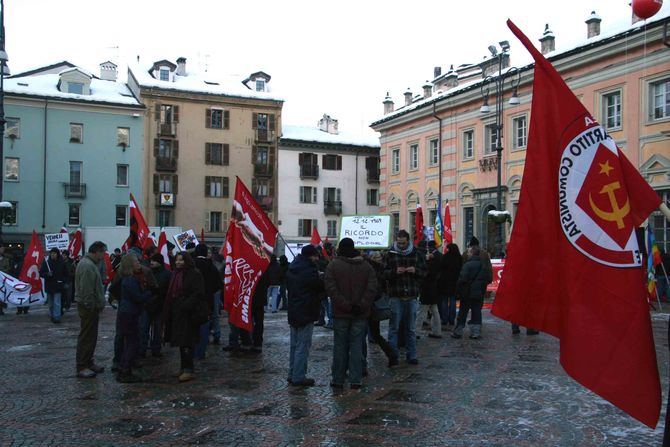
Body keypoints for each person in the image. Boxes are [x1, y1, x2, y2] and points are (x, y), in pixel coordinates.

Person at [325, 238, 377, 389]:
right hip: (360, 313)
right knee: (356, 345)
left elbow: (331, 288)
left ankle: (338, 379)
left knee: (340, 346)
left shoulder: (333, 265)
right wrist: (361, 305)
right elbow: (372, 288)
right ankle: (356, 379)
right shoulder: (366, 266)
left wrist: (345, 305)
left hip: (341, 312)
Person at [384, 230, 426, 365]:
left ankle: (412, 355)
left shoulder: (417, 253)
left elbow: (425, 272)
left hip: (412, 295)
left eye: (403, 243)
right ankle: (393, 356)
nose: (401, 245)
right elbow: (382, 273)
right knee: (393, 328)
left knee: (411, 328)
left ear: (408, 241)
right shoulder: (390, 254)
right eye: (398, 243)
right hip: (396, 295)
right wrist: (394, 272)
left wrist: (416, 271)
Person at [162, 251, 205, 383]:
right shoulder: (175, 273)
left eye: (181, 260)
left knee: (187, 341)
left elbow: (198, 293)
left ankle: (189, 369)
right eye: (177, 260)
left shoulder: (194, 274)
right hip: (177, 311)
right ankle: (183, 367)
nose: (178, 262)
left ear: (187, 261)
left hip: (188, 312)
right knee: (181, 340)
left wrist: (185, 305)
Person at [286, 245, 324, 386]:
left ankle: (292, 373)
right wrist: (319, 277)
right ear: (311, 256)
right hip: (306, 310)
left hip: (294, 310)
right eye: (315, 256)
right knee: (303, 345)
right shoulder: (309, 270)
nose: (317, 258)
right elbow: (318, 288)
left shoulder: (293, 267)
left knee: (294, 345)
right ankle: (298, 376)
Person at [115, 254, 153, 383]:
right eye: (136, 262)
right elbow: (138, 297)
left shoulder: (128, 278)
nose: (139, 264)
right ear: (130, 264)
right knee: (132, 343)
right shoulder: (130, 279)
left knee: (130, 342)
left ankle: (124, 368)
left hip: (127, 312)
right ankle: (125, 370)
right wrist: (149, 293)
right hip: (129, 313)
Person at [75, 241, 107, 379]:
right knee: (86, 336)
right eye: (103, 252)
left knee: (91, 336)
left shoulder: (90, 264)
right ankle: (82, 365)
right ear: (97, 251)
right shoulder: (87, 266)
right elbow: (87, 290)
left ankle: (88, 362)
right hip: (88, 307)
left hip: (91, 306)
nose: (103, 255)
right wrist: (91, 305)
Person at [365, 251, 398, 367]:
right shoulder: (382, 269)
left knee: (366, 335)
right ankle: (391, 355)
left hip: (370, 304)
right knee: (376, 334)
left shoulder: (370, 269)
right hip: (376, 304)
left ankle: (362, 364)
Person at [452, 245, 492, 340]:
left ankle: (458, 331)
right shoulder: (483, 265)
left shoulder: (467, 265)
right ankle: (475, 332)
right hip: (478, 293)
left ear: (472, 253)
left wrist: (458, 291)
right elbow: (486, 279)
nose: (467, 253)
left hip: (467, 293)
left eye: (469, 252)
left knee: (463, 312)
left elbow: (462, 279)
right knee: (477, 312)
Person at [193, 244, 222, 360]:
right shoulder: (211, 266)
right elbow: (217, 285)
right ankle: (201, 351)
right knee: (204, 325)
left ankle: (192, 350)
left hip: (193, 300)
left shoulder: (191, 264)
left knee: (193, 326)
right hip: (207, 299)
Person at [140, 253, 171, 357]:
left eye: (154, 261)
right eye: (151, 260)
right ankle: (142, 349)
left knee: (158, 329)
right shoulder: (147, 272)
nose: (152, 262)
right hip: (147, 304)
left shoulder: (167, 274)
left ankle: (156, 349)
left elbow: (167, 290)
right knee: (144, 328)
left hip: (160, 305)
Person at [416, 240, 443, 338]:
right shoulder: (439, 256)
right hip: (434, 288)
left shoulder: (432, 258)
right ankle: (437, 331)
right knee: (435, 311)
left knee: (421, 312)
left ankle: (416, 332)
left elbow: (427, 272)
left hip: (427, 288)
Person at [40, 248, 67, 324]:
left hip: (58, 286)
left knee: (57, 302)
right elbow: (41, 273)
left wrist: (63, 281)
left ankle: (57, 317)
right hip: (49, 286)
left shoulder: (61, 263)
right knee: (51, 304)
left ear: (57, 254)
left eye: (54, 253)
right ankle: (52, 315)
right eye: (52, 253)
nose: (53, 255)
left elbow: (65, 274)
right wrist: (47, 274)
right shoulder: (46, 263)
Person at [438, 243, 462, 327]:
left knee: (444, 301)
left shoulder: (445, 257)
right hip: (454, 282)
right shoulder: (459, 258)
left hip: (445, 282)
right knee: (452, 301)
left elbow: (440, 269)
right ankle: (451, 319)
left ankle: (444, 319)